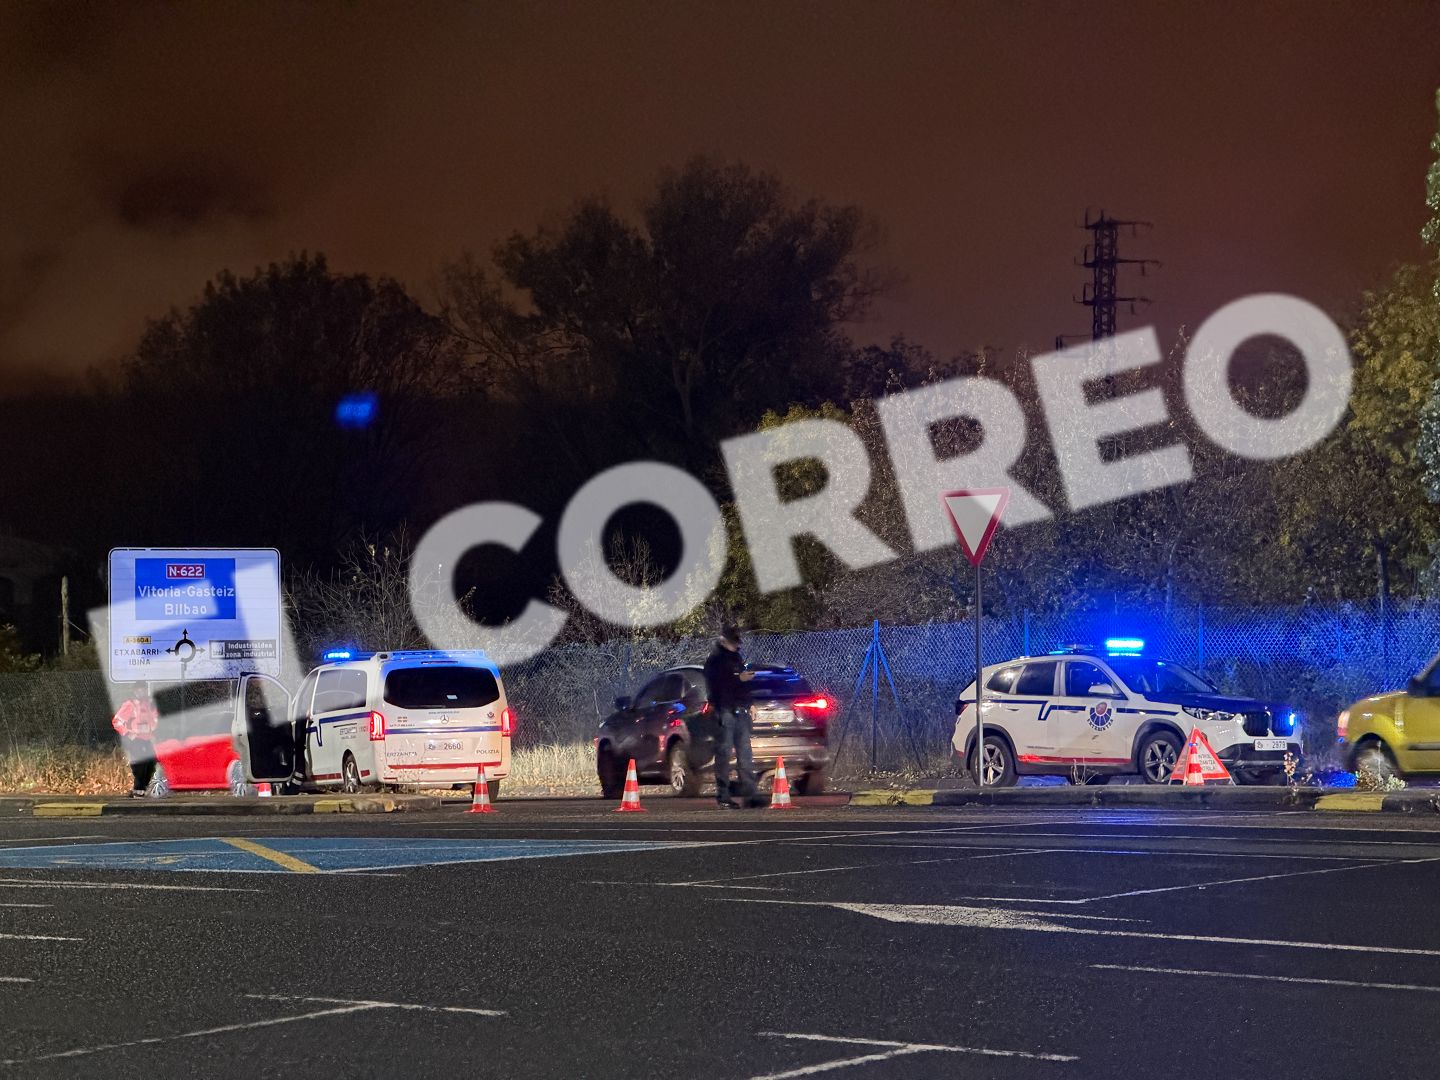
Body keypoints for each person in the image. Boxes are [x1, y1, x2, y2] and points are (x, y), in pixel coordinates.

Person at [703, 624, 756, 808]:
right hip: (724, 711)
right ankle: (723, 796)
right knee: (724, 754)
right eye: (734, 642)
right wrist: (737, 678)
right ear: (724, 640)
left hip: (739, 710)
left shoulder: (736, 657)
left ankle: (750, 795)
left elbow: (743, 685)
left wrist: (750, 704)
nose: (736, 646)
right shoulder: (715, 660)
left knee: (745, 755)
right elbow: (717, 685)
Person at [110, 683, 159, 798]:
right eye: (139, 690)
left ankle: (142, 788)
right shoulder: (130, 705)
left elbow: (155, 719)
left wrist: (153, 731)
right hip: (135, 739)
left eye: (143, 689)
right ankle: (138, 789)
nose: (141, 692)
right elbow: (117, 721)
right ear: (135, 691)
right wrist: (127, 732)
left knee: (151, 763)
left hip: (148, 739)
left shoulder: (149, 705)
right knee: (140, 764)